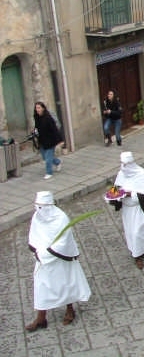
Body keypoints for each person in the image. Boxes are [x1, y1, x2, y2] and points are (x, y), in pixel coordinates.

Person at [25, 191, 91, 332]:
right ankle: (41, 317)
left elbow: (63, 241)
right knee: (41, 286)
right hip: (42, 258)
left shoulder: (61, 218)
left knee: (64, 284)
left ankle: (70, 309)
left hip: (59, 258)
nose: (39, 210)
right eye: (38, 206)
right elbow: (34, 234)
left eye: (42, 207)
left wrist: (48, 252)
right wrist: (38, 251)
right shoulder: (37, 216)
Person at [112, 151, 144, 269]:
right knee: (131, 233)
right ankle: (139, 251)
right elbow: (116, 189)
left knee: (139, 232)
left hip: (139, 209)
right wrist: (113, 196)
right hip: (128, 210)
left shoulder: (142, 175)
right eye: (122, 164)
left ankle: (138, 255)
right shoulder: (121, 174)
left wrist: (130, 194)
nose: (123, 167)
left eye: (125, 164)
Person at [33, 101, 63, 180]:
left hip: (50, 140)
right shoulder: (37, 117)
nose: (37, 109)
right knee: (45, 156)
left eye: (39, 108)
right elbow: (36, 127)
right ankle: (58, 162)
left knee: (48, 158)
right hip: (42, 140)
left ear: (43, 108)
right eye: (36, 108)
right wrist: (35, 132)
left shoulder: (48, 118)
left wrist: (60, 139)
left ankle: (49, 172)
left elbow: (54, 129)